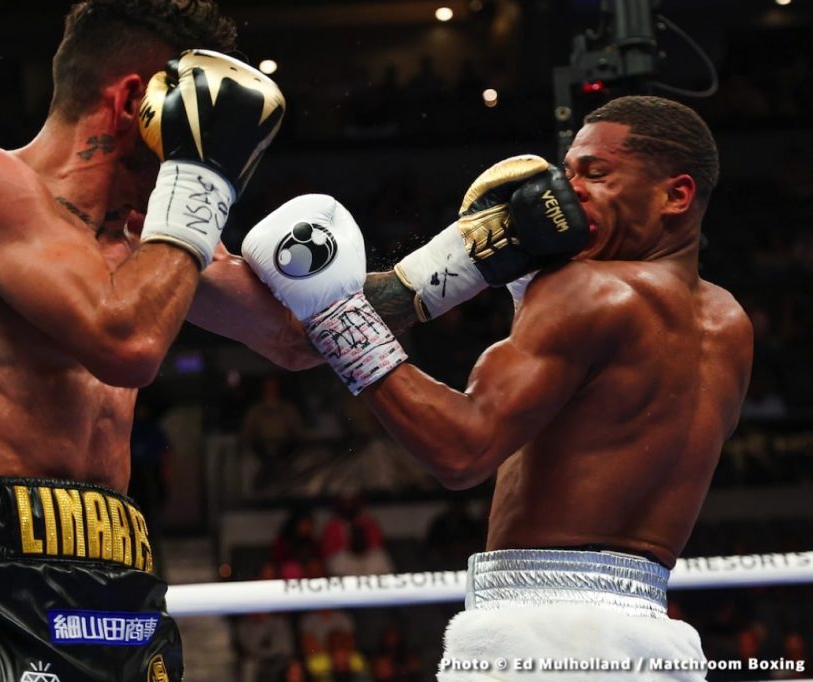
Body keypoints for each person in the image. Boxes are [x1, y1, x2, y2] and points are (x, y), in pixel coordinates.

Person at [0, 2, 314, 681]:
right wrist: (199, 184)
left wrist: (449, 269)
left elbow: (295, 338)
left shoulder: (150, 241)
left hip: (119, 565)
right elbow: (127, 342)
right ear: (135, 100)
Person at [243, 95, 752, 679]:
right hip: (654, 638)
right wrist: (501, 282)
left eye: (596, 173)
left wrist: (342, 323)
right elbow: (598, 421)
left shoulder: (588, 290)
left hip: (546, 635)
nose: (568, 190)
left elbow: (462, 450)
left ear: (676, 195)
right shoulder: (731, 326)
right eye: (567, 172)